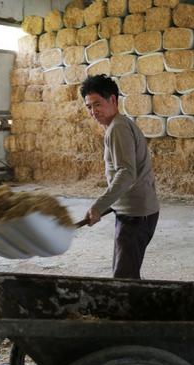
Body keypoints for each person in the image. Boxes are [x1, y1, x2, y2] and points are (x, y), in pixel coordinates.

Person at [80, 74, 159, 280]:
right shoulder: (117, 126)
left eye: (97, 104)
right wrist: (108, 206)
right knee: (125, 274)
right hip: (133, 213)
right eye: (88, 107)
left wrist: (99, 205)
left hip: (135, 216)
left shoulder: (118, 128)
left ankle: (134, 312)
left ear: (113, 100)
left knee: (124, 279)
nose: (93, 111)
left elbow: (126, 173)